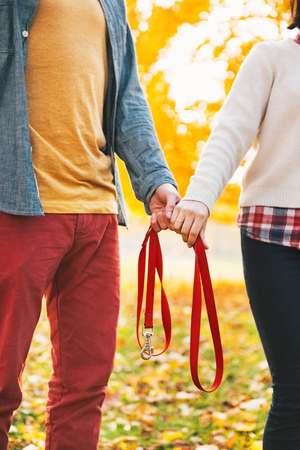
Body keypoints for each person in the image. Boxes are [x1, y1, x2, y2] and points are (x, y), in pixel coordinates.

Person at [0, 1, 180, 449]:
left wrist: (154, 178)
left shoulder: (111, 4)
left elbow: (128, 100)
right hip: (18, 204)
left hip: (97, 212)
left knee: (85, 385)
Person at [161, 1, 300, 448]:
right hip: (273, 235)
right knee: (296, 388)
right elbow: (231, 130)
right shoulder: (273, 57)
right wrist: (200, 195)